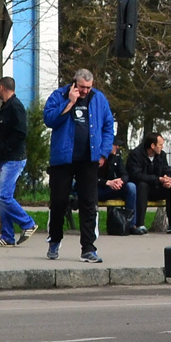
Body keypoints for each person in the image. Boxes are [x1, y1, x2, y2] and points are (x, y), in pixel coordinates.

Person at [44, 68, 115, 263]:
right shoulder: (59, 95)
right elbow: (49, 120)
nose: (85, 91)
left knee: (89, 203)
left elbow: (109, 126)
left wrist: (103, 152)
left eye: (88, 88)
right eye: (82, 87)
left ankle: (88, 248)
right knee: (58, 202)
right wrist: (70, 102)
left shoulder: (99, 99)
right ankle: (54, 240)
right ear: (74, 83)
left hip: (89, 159)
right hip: (63, 159)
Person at [0, 77, 39, 246]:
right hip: (6, 158)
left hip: (14, 158)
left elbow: (20, 133)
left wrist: (4, 148)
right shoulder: (6, 107)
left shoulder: (15, 106)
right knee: (5, 197)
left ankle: (28, 223)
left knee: (2, 194)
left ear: (1, 87)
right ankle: (7, 235)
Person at [127, 131, 171, 233]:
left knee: (170, 188)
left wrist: (168, 179)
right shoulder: (136, 155)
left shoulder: (161, 155)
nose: (162, 147)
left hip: (157, 188)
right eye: (160, 145)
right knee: (142, 185)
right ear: (152, 145)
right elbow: (136, 175)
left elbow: (166, 169)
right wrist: (158, 179)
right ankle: (140, 224)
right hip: (142, 189)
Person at [99, 136, 144, 235]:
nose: (118, 147)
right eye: (115, 145)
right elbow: (90, 178)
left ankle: (131, 224)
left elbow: (124, 173)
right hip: (97, 188)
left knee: (131, 187)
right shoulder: (96, 156)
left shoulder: (117, 156)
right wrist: (107, 182)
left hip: (111, 187)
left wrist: (120, 181)